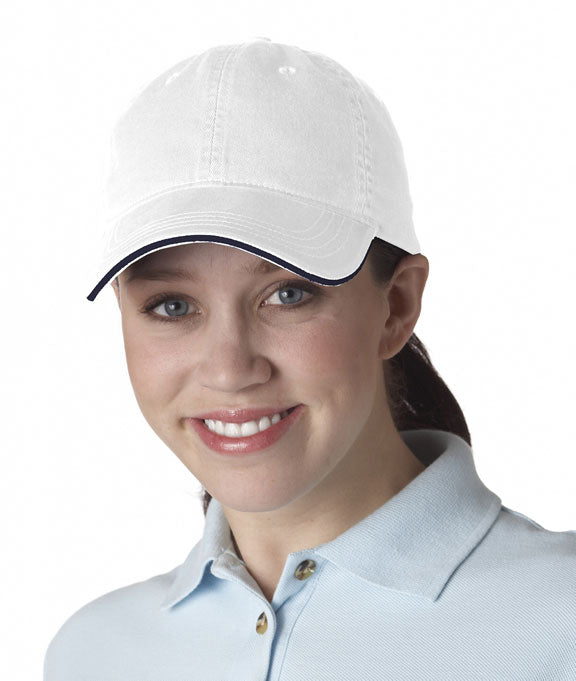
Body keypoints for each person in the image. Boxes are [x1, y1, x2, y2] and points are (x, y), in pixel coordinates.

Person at [43, 38, 576, 680]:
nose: (229, 369)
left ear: (397, 305)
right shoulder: (93, 654)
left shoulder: (560, 625)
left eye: (287, 294)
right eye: (172, 306)